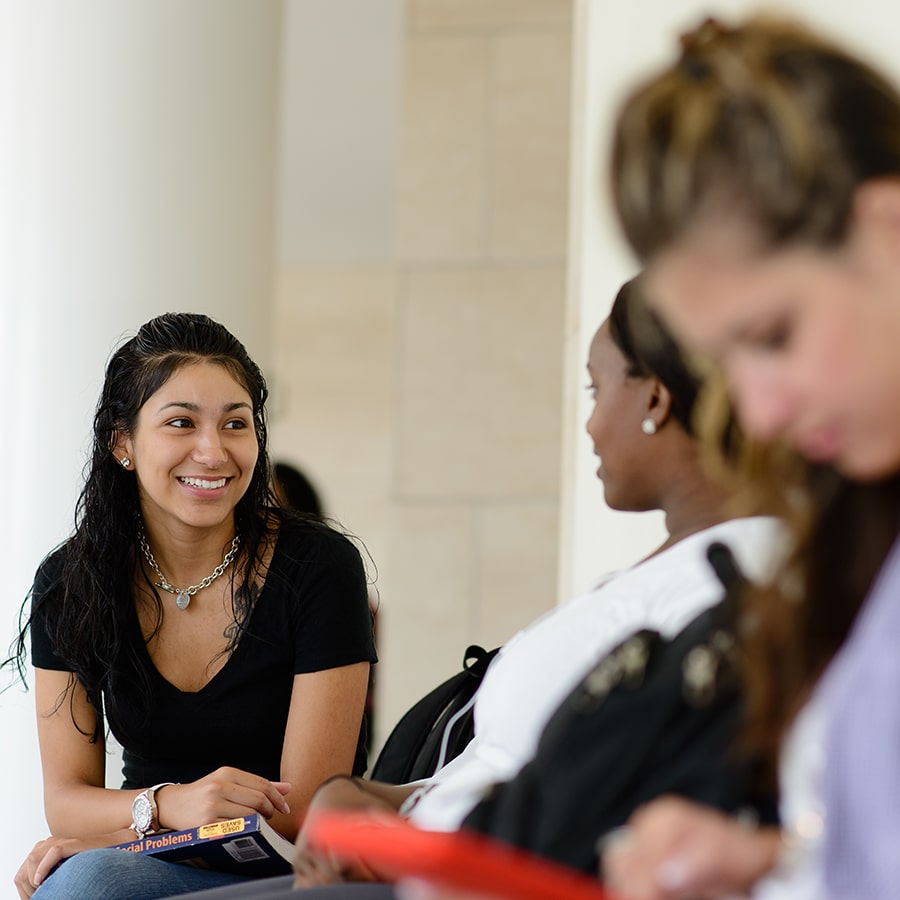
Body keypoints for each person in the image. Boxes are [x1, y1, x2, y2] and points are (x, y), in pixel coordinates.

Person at [163, 275, 783, 900]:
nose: (591, 425)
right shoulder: (666, 577)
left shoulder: (732, 583)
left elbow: (604, 807)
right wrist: (356, 796)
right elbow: (496, 769)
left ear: (654, 399)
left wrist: (391, 838)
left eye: (597, 390)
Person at [596, 14, 900, 900]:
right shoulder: (858, 529)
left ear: (887, 228)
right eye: (725, 361)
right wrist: (773, 863)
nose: (758, 413)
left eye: (773, 335)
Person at [8, 313, 377, 900]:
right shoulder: (70, 582)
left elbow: (305, 810)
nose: (213, 451)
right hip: (143, 867)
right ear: (122, 443)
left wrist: (120, 843)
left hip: (292, 873)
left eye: (235, 424)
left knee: (91, 881)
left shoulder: (319, 568)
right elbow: (67, 801)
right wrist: (170, 805)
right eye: (181, 423)